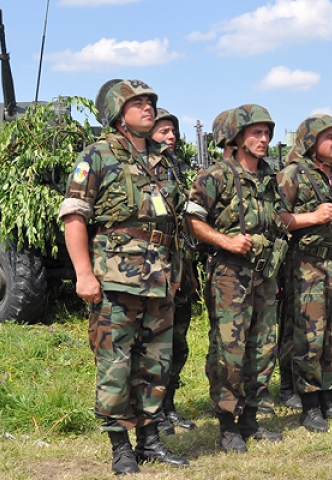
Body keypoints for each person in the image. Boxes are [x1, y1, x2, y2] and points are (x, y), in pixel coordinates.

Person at [59, 79, 188, 474]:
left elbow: (176, 222)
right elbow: (74, 216)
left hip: (160, 278)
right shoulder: (97, 156)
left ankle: (150, 441)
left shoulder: (163, 159)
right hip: (114, 278)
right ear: (117, 113)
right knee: (115, 365)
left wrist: (177, 273)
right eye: (138, 103)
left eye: (151, 102)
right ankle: (121, 448)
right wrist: (84, 274)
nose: (148, 108)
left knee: (155, 363)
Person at [187, 104, 286, 453]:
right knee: (229, 349)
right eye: (256, 133)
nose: (263, 139)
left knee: (263, 348)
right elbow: (193, 221)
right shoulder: (216, 176)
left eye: (266, 132)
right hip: (230, 273)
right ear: (237, 137)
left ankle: (251, 419)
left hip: (265, 274)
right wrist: (226, 240)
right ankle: (228, 424)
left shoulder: (269, 178)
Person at [276, 114, 332, 432]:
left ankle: (329, 400)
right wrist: (311, 217)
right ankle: (309, 406)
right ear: (311, 142)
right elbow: (276, 218)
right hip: (309, 265)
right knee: (310, 338)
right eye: (329, 137)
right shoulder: (293, 174)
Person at [150, 108, 199, 435]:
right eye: (164, 131)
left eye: (173, 131)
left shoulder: (174, 169)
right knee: (155, 343)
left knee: (178, 342)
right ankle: (152, 413)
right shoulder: (139, 168)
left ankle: (169, 406)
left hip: (181, 265)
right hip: (153, 269)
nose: (171, 137)